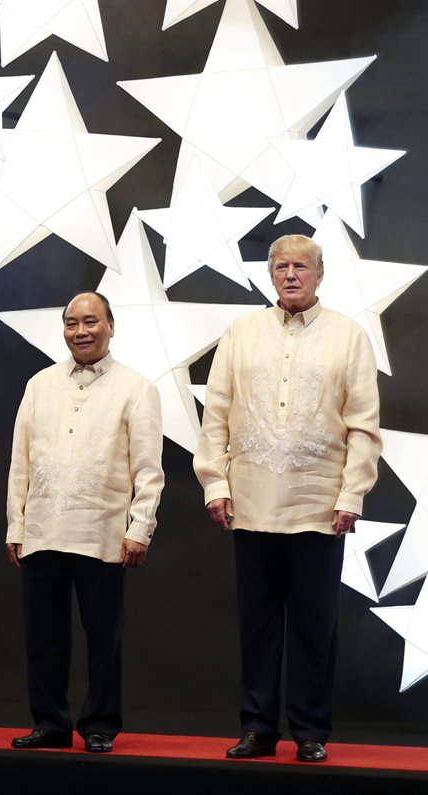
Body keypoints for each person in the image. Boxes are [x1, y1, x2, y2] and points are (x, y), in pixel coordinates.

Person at [194, 234, 381, 763]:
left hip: (318, 503)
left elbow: (364, 424)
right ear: (269, 275)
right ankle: (257, 728)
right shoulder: (241, 332)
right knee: (256, 623)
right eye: (281, 267)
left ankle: (310, 731)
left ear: (320, 274)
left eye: (302, 266)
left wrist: (352, 493)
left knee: (313, 624)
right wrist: (215, 482)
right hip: (250, 499)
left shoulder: (348, 336)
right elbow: (217, 414)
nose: (291, 275)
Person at [3, 292, 163, 754]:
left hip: (104, 531)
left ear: (111, 326)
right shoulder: (39, 384)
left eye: (91, 321)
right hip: (43, 530)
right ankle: (50, 722)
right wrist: (17, 526)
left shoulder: (136, 387)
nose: (81, 331)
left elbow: (148, 470)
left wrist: (139, 528)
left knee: (103, 638)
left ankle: (99, 724)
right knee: (43, 638)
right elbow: (20, 464)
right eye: (72, 323)